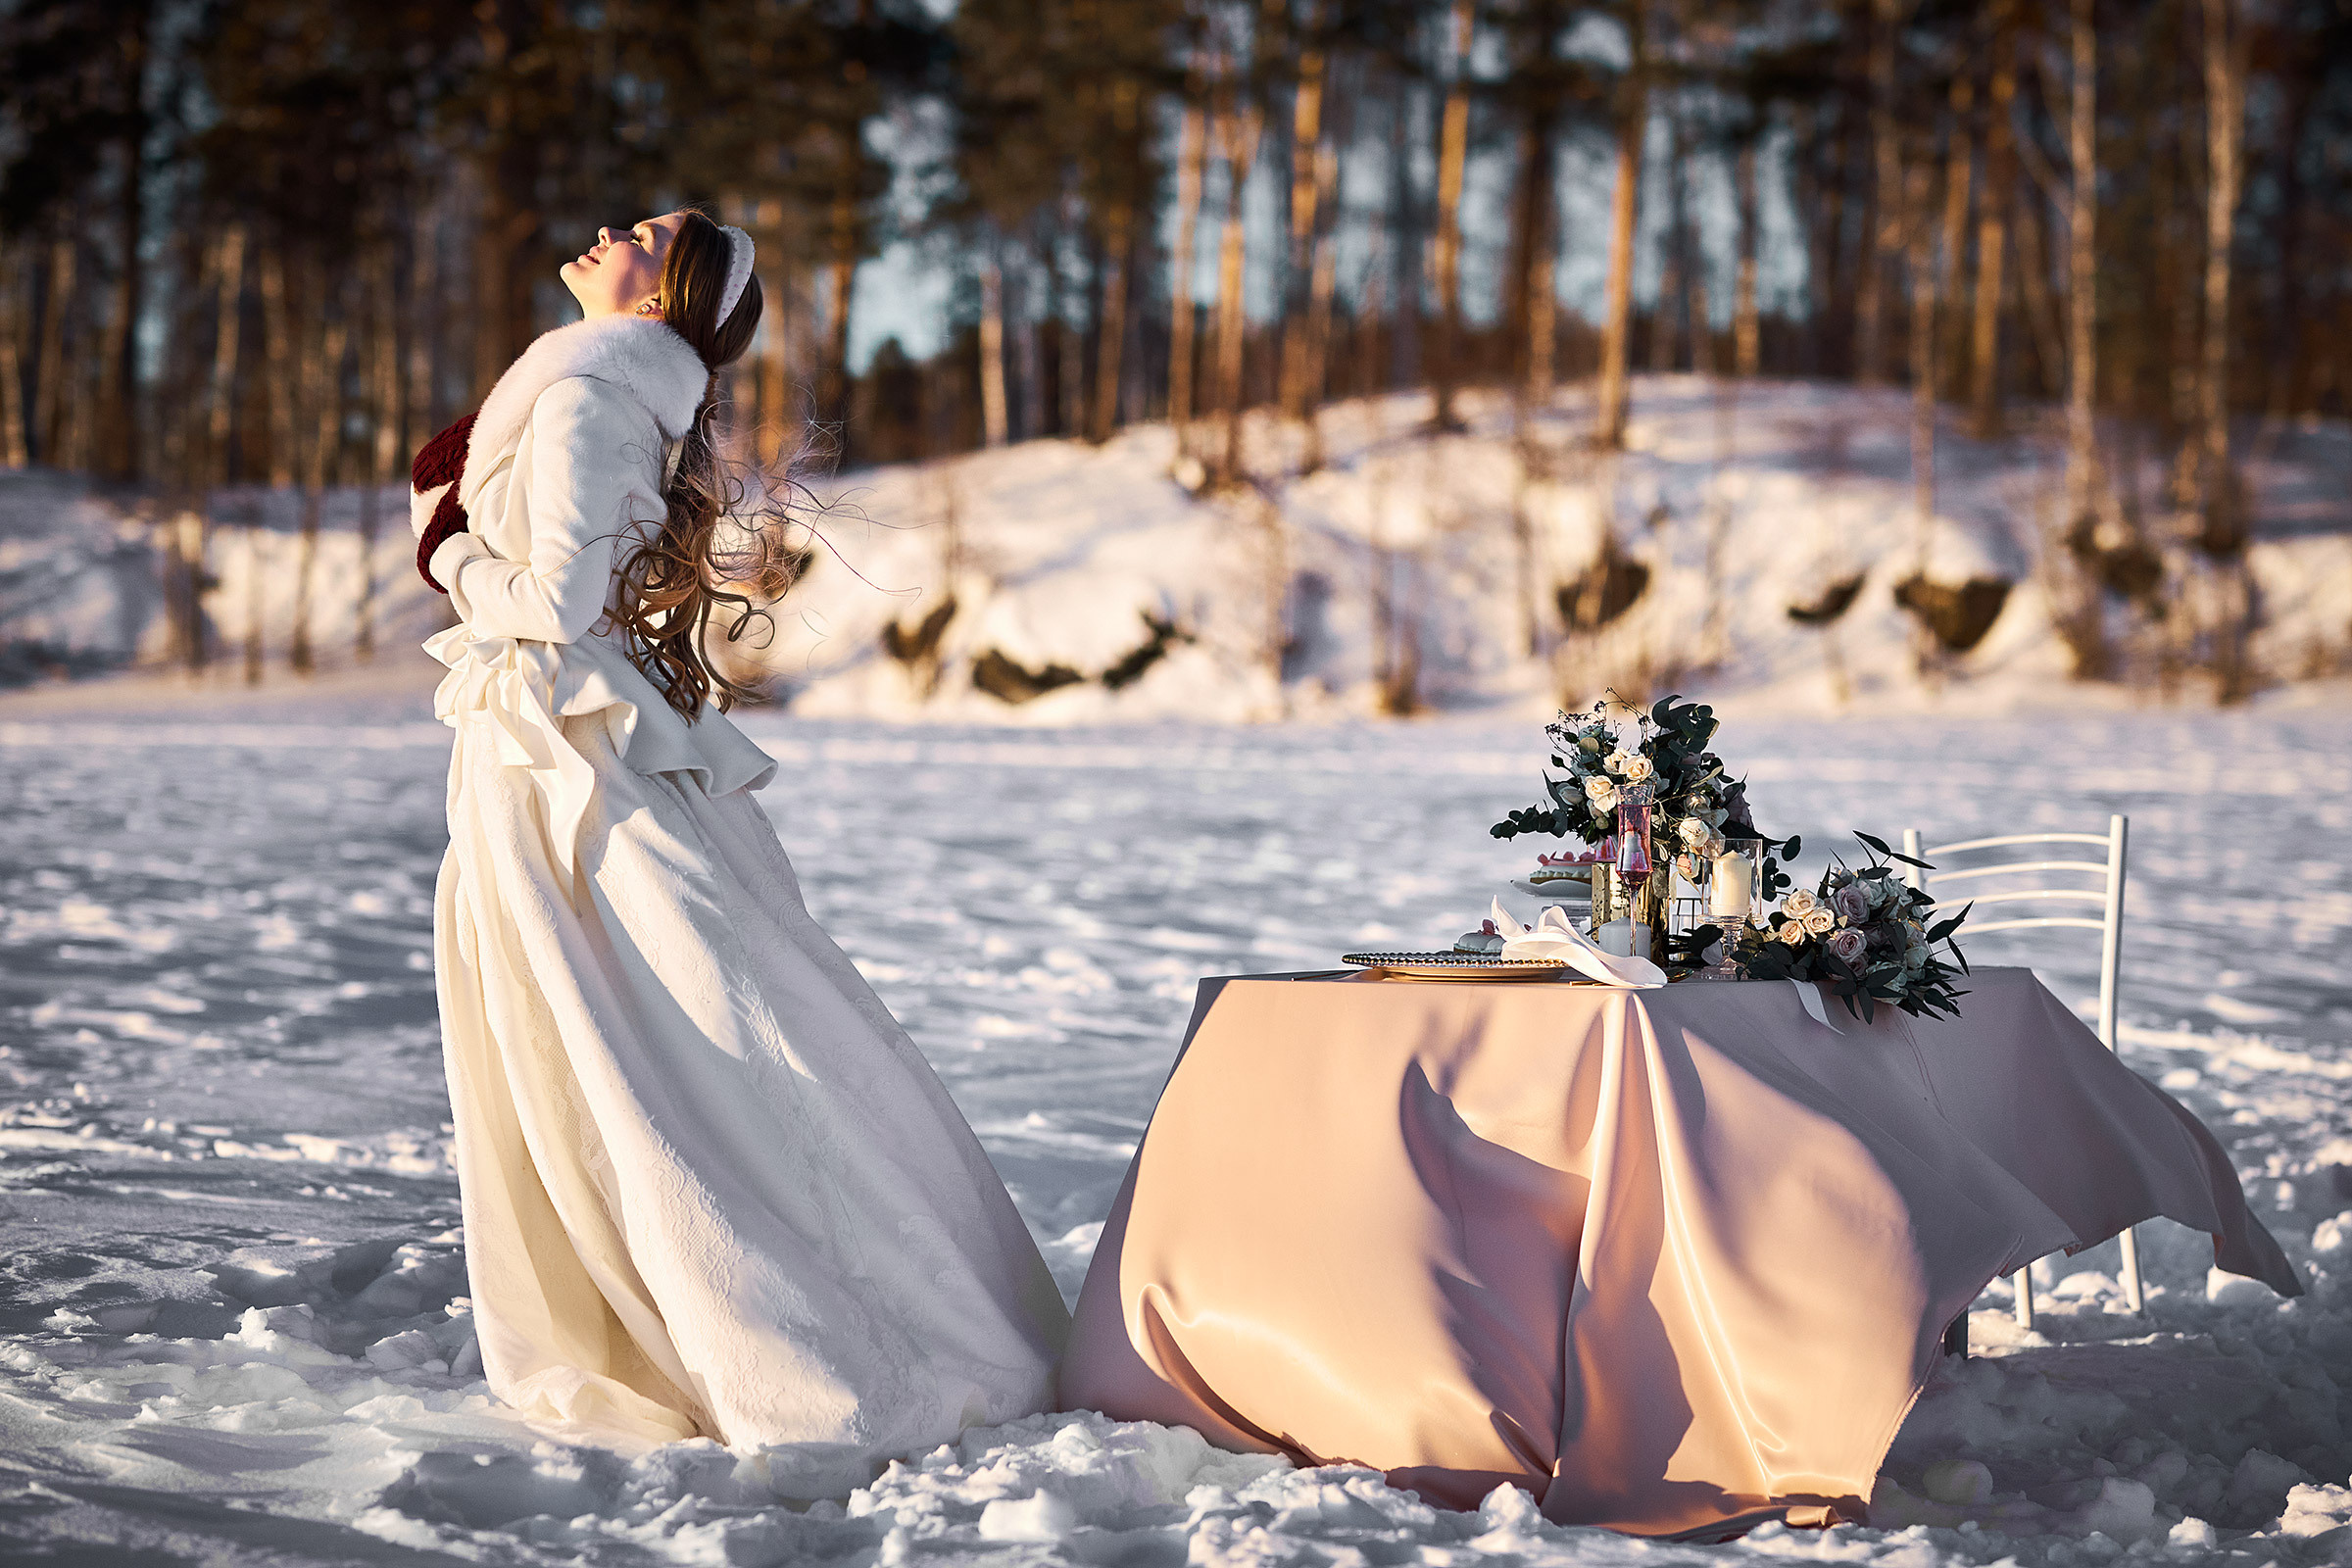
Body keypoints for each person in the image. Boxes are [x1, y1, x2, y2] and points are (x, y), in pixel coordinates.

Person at [413, 209, 1067, 1477]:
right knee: (652, 1030)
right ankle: (720, 1314)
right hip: (564, 744)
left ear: (665, 289)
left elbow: (555, 600)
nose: (612, 228)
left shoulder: (596, 381)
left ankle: (809, 1341)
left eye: (646, 229)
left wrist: (449, 557)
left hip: (564, 758)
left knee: (653, 1037)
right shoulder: (598, 382)